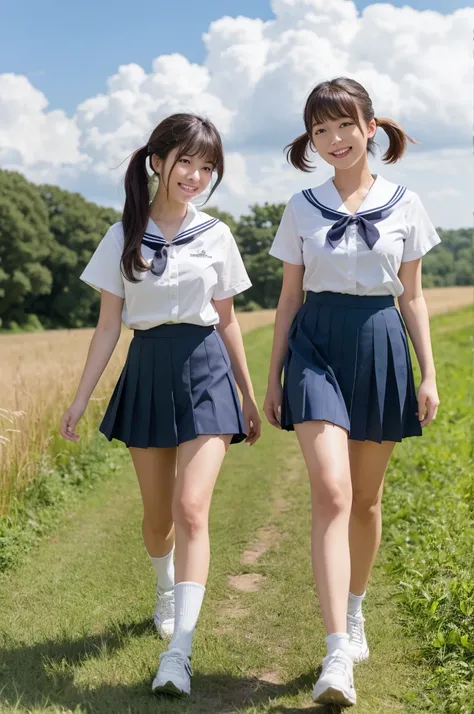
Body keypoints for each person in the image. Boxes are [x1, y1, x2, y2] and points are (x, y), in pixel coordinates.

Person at [60, 112, 261, 698]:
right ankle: (166, 587)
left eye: (207, 167)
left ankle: (180, 652)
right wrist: (79, 399)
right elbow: (106, 328)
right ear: (157, 162)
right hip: (147, 372)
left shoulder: (217, 235)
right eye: (185, 163)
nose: (195, 176)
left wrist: (248, 396)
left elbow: (227, 321)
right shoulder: (123, 234)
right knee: (158, 519)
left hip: (206, 371)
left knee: (192, 508)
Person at [263, 77, 440, 707]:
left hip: (380, 342)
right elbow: (288, 298)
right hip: (315, 346)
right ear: (311, 140)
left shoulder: (406, 203)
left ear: (371, 127)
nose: (333, 140)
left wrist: (428, 372)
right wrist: (275, 374)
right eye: (320, 130)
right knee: (332, 492)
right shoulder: (301, 206)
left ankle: (356, 609)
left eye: (344, 125)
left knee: (365, 499)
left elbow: (412, 296)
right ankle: (337, 651)